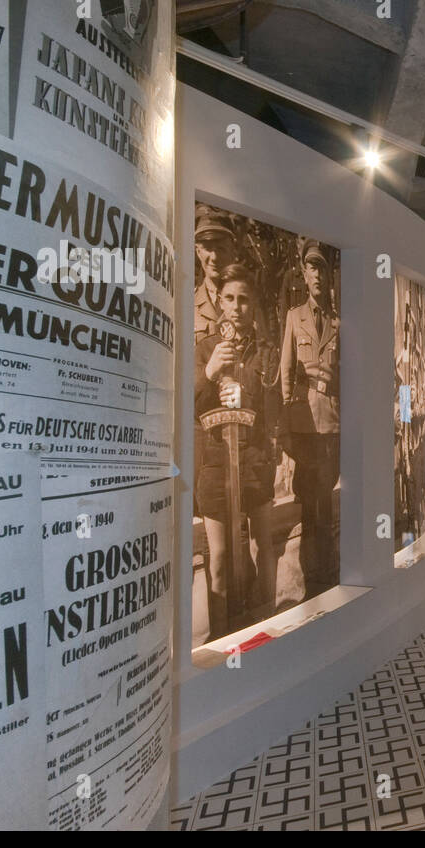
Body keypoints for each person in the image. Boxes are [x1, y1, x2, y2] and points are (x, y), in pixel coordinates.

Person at [194, 266, 281, 639]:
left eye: (244, 299)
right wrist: (211, 371)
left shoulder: (266, 353)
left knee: (265, 548)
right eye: (229, 298)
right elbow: (190, 403)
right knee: (221, 562)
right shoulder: (203, 349)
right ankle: (223, 638)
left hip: (255, 463)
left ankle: (267, 625)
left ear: (253, 305)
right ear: (219, 302)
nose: (236, 307)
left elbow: (274, 409)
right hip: (215, 466)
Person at [280, 239, 340, 595]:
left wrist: (338, 380)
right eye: (312, 267)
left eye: (323, 268)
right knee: (310, 506)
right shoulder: (293, 317)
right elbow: (285, 375)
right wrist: (287, 427)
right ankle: (314, 581)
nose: (318, 274)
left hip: (331, 426)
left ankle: (327, 577)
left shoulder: (339, 322)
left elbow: (350, 376)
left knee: (325, 503)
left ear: (330, 275)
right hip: (304, 429)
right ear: (304, 273)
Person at [193, 205, 241, 345]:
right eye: (208, 248)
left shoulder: (250, 302)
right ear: (198, 252)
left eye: (221, 248)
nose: (214, 257)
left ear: (233, 251)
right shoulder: (187, 304)